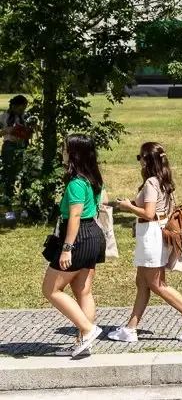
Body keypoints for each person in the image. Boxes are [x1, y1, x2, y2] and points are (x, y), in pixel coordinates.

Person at [108, 142, 182, 343]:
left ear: (147, 160)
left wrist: (128, 206)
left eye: (140, 157)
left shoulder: (151, 183)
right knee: (142, 283)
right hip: (156, 232)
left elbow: (149, 212)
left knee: (157, 284)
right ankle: (131, 328)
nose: (139, 162)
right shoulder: (164, 180)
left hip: (151, 236)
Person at [42, 134, 105, 357]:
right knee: (83, 291)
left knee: (51, 289)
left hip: (78, 236)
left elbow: (76, 215)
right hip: (94, 236)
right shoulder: (94, 178)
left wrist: (67, 248)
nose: (62, 151)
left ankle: (87, 330)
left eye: (65, 148)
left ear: (74, 153)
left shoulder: (77, 182)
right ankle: (83, 342)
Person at [2, 95, 33, 221]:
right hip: (9, 147)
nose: (23, 111)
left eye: (24, 108)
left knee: (25, 176)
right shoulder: (3, 116)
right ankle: (9, 209)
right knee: (9, 177)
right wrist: (7, 130)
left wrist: (28, 131)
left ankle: (24, 207)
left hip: (23, 146)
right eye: (21, 108)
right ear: (14, 106)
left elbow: (30, 133)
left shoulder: (26, 117)